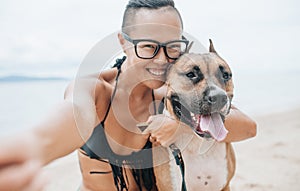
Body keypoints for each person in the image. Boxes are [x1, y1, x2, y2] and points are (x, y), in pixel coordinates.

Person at [0, 0, 257, 191]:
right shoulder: (96, 90)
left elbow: (247, 127)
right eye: (148, 46)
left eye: (172, 47)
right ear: (124, 43)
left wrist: (179, 127)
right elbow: (67, 120)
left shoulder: (173, 94)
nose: (161, 59)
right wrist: (32, 146)